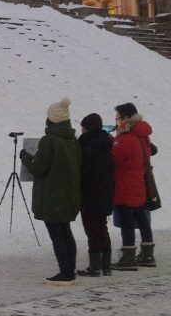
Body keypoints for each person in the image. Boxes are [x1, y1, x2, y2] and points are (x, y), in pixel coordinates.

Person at [21, 98, 83, 285]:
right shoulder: (72, 139)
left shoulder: (49, 140)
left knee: (57, 234)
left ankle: (65, 273)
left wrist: (25, 157)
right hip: (69, 193)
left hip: (52, 195)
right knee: (65, 231)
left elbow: (39, 168)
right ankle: (69, 270)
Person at [111, 103, 156, 270]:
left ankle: (128, 257)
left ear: (125, 118)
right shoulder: (142, 135)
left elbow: (113, 159)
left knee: (126, 220)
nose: (115, 121)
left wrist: (111, 143)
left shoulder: (125, 138)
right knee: (142, 217)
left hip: (125, 184)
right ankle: (147, 254)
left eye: (117, 117)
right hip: (140, 182)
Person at [76, 113, 115, 277]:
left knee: (92, 230)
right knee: (102, 228)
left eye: (83, 127)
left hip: (89, 194)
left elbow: (82, 174)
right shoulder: (106, 147)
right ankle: (106, 266)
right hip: (105, 194)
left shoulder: (86, 149)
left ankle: (95, 266)